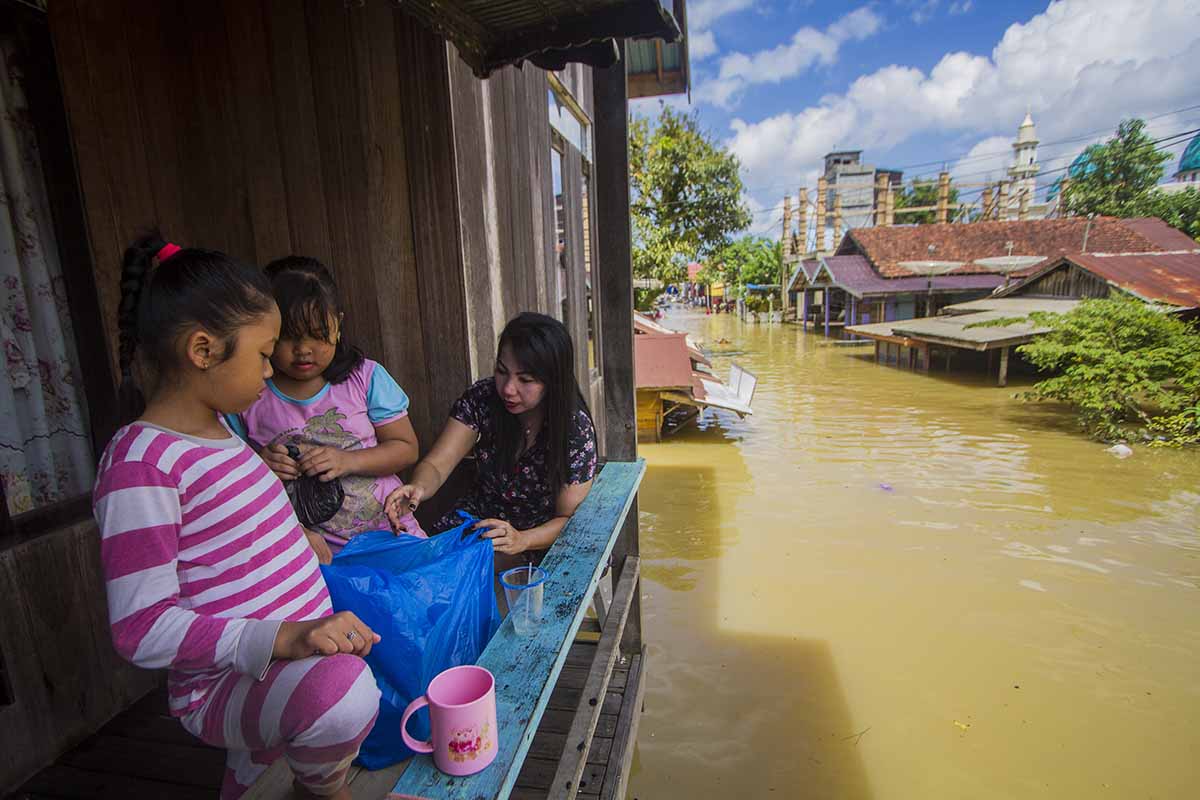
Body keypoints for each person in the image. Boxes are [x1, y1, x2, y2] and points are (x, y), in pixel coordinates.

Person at [94, 233, 381, 800]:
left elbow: (235, 532)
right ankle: (325, 791)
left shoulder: (223, 435)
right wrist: (279, 637)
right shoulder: (141, 463)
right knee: (345, 696)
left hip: (284, 658)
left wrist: (300, 539)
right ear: (203, 351)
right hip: (225, 684)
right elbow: (140, 627)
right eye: (262, 352)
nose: (271, 367)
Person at [227, 257, 424, 562]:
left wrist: (348, 460)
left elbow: (406, 448)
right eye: (288, 336)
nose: (304, 349)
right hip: (314, 555)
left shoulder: (364, 378)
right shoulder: (249, 394)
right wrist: (262, 464)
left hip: (390, 534)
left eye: (318, 334)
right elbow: (230, 471)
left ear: (338, 324)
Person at [384, 312, 597, 568]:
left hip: (540, 538)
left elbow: (568, 519)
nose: (508, 388)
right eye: (502, 371)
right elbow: (438, 464)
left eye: (525, 380)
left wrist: (521, 539)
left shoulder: (574, 428)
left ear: (553, 381)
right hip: (478, 523)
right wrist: (418, 487)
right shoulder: (482, 398)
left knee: (456, 576)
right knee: (422, 567)